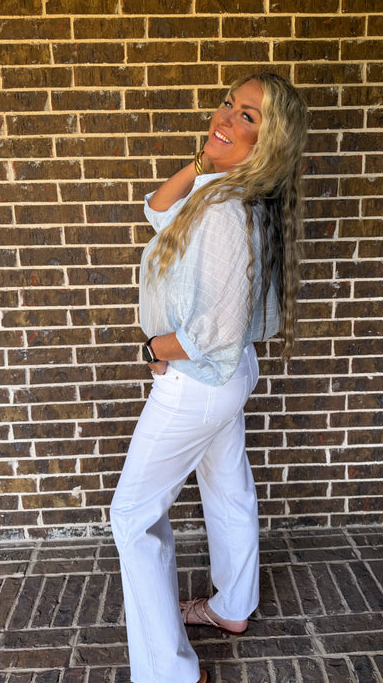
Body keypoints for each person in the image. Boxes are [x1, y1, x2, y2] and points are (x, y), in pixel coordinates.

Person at [110, 72, 307, 683]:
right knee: (227, 487)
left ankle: (169, 672)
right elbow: (156, 211)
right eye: (228, 103)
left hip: (197, 383)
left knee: (131, 516)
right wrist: (204, 159)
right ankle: (232, 607)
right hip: (228, 377)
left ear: (269, 141)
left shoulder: (224, 210)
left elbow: (211, 333)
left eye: (248, 116)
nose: (225, 117)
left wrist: (153, 346)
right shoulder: (227, 189)